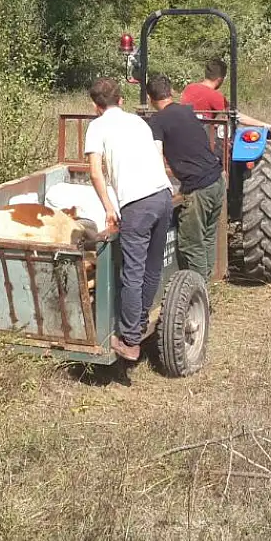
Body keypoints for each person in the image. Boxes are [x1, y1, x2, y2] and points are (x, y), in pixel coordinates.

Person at [84, 76, 174, 362]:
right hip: (162, 196)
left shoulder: (97, 127)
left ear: (96, 106)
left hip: (137, 204)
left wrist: (109, 207)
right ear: (121, 100)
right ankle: (141, 323)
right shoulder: (138, 122)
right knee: (151, 267)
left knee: (132, 273)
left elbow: (96, 172)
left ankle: (131, 340)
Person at [145, 73, 225, 280]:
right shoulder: (188, 112)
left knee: (191, 243)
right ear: (171, 92)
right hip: (216, 181)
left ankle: (199, 292)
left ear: (150, 99)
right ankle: (206, 283)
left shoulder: (157, 121)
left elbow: (154, 159)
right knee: (207, 236)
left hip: (198, 188)